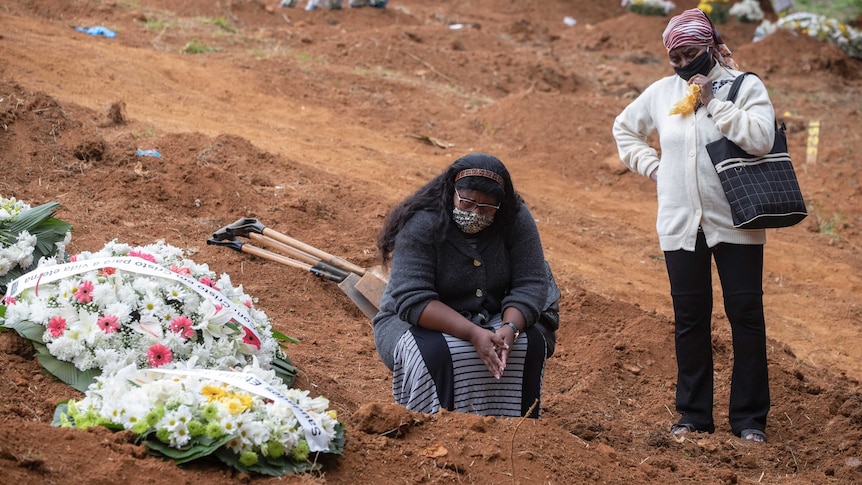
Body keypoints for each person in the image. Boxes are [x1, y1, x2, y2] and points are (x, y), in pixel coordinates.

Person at [612, 8, 774, 443]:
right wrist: (654, 167)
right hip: (681, 224)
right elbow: (624, 129)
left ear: (709, 46)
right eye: (675, 57)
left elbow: (761, 139)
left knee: (745, 315)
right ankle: (694, 416)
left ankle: (749, 420)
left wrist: (713, 103)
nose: (683, 64)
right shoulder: (663, 93)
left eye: (690, 54)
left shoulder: (744, 86)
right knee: (690, 319)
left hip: (737, 222)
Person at [372, 153, 557, 418]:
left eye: (486, 208)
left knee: (528, 347)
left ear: (500, 207)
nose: (475, 213)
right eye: (467, 202)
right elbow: (413, 300)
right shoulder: (422, 222)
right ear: (452, 191)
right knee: (437, 355)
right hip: (416, 321)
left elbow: (531, 282)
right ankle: (436, 426)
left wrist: (511, 327)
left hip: (493, 315)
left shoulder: (515, 218)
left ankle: (513, 429)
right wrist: (472, 334)